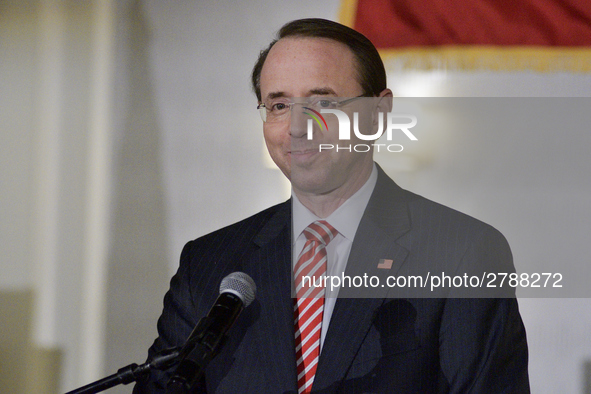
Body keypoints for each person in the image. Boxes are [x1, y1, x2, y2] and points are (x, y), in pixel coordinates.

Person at [134, 18, 529, 393]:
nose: (297, 126)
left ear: (378, 113)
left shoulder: (463, 252)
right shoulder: (208, 264)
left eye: (322, 102)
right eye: (278, 105)